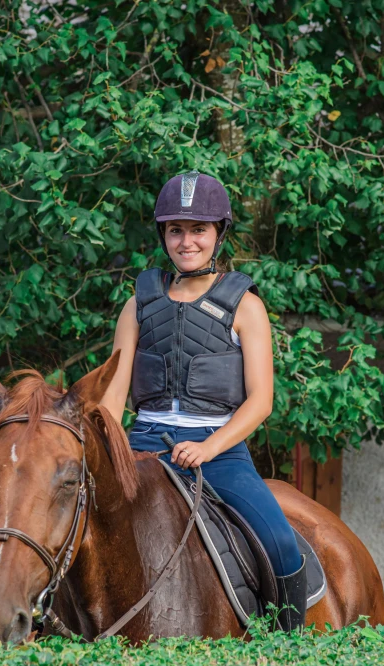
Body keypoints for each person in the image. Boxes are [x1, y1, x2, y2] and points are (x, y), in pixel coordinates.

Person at [100, 170, 306, 632]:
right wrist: (109, 450)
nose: (186, 241)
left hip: (219, 451)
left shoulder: (245, 306)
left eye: (198, 230)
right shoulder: (138, 303)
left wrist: (209, 448)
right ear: (163, 235)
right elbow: (113, 396)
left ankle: (289, 651)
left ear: (218, 234)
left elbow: (261, 402)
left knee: (280, 543)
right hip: (144, 443)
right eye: (176, 230)